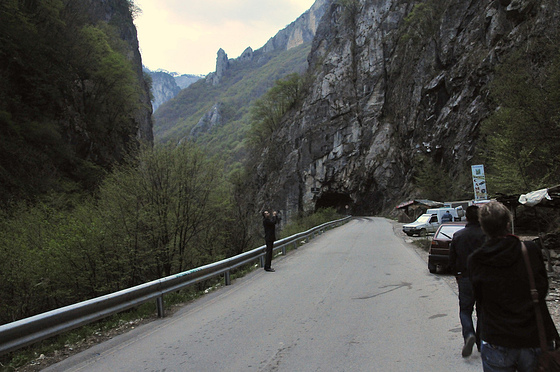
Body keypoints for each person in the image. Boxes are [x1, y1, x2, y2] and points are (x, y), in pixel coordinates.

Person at [468, 201, 559, 372]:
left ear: (483, 227)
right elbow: (542, 288)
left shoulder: (476, 259)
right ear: (508, 224)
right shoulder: (529, 249)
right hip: (533, 337)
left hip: (497, 338)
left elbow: (480, 298)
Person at [449, 205, 486, 357]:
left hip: (465, 277)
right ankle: (481, 341)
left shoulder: (458, 235)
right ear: (479, 218)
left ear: (466, 217)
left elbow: (452, 259)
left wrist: (457, 274)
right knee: (482, 310)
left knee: (465, 310)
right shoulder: (486, 235)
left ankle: (469, 334)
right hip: (483, 278)